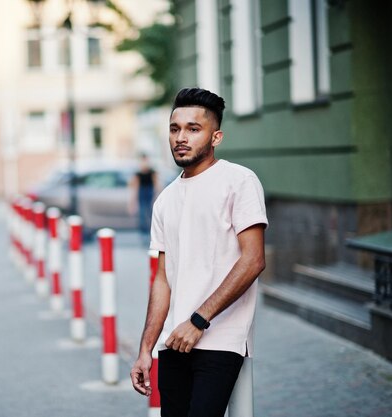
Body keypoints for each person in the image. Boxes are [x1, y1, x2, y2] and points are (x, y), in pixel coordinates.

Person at [130, 88, 268, 417]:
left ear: (215, 136)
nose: (181, 137)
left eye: (194, 129)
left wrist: (198, 320)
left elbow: (253, 260)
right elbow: (163, 280)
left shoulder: (239, 182)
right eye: (175, 129)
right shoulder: (165, 199)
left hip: (220, 339)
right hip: (174, 341)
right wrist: (146, 348)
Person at [129, 153, 159, 237]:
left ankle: (151, 228)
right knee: (142, 210)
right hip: (142, 191)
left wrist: (157, 194)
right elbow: (135, 185)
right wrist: (132, 201)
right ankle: (143, 229)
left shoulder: (152, 171)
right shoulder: (138, 173)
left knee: (150, 210)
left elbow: (156, 183)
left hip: (149, 191)